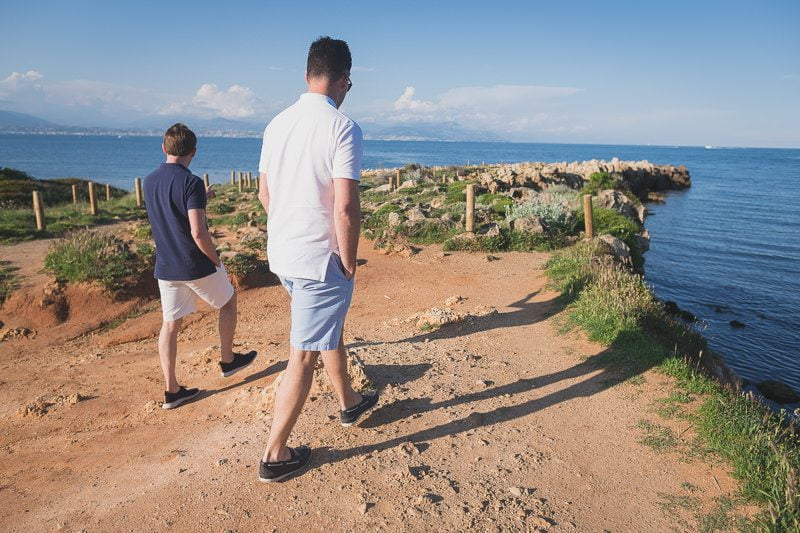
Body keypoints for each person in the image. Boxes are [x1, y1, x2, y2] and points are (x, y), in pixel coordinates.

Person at [256, 37, 378, 482]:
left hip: (284, 255)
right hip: (319, 258)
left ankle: (348, 401)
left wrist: (289, 230)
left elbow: (265, 193)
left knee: (329, 328)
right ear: (345, 79)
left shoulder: (276, 124)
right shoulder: (343, 127)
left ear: (307, 74)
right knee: (302, 354)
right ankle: (275, 454)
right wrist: (348, 260)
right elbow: (345, 207)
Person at [143, 123, 256, 409]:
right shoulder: (191, 182)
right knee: (228, 301)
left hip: (166, 266)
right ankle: (228, 360)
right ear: (193, 151)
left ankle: (172, 391)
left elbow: (171, 210)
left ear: (163, 148)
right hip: (193, 263)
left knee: (170, 325)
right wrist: (216, 260)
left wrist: (200, 199)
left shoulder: (150, 180)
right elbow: (198, 232)